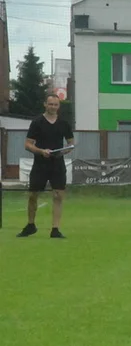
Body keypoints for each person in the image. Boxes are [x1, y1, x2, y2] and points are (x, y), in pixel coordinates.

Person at [17, 94, 75, 238]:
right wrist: (41, 151)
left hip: (57, 164)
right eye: (50, 104)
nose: (53, 107)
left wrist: (62, 152)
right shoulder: (37, 122)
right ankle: (31, 225)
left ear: (59, 106)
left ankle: (55, 229)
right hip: (40, 164)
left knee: (58, 195)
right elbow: (28, 144)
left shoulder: (64, 124)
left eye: (55, 105)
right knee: (33, 195)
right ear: (45, 104)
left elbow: (70, 144)